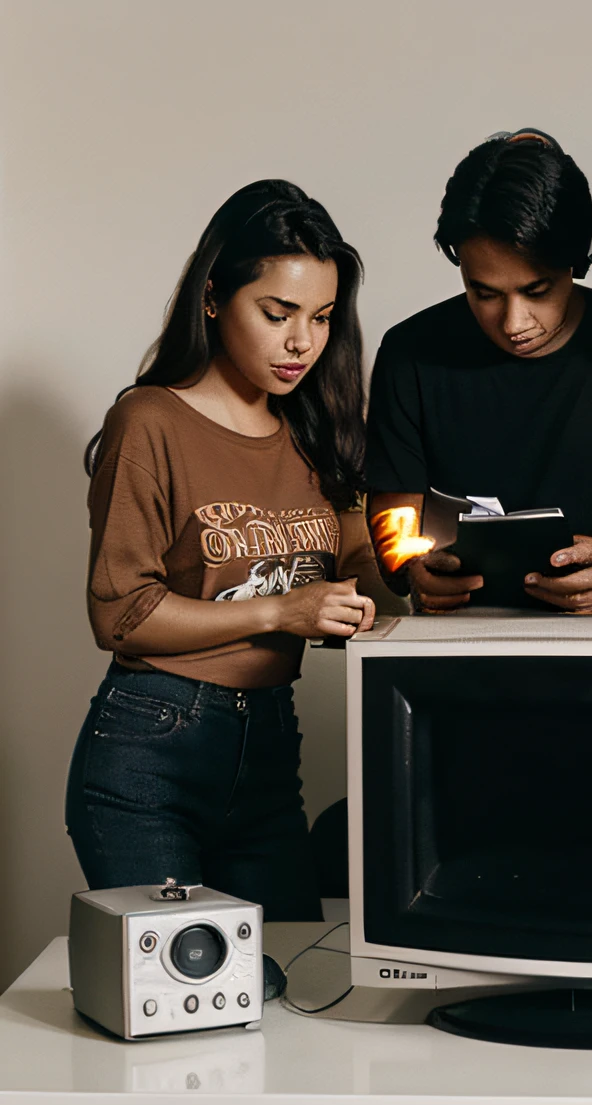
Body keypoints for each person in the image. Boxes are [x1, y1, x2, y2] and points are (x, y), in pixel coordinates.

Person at [65, 179, 377, 920]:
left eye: (323, 318)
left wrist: (367, 588)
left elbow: (358, 549)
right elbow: (121, 615)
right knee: (181, 1004)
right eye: (278, 313)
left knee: (294, 982)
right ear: (214, 297)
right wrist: (283, 613)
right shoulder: (150, 422)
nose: (302, 341)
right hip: (150, 751)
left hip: (269, 750)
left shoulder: (317, 429)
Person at [365, 129, 592, 613]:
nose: (513, 324)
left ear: (577, 263)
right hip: (455, 640)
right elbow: (395, 506)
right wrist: (410, 565)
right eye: (484, 293)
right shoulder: (411, 352)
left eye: (536, 290)